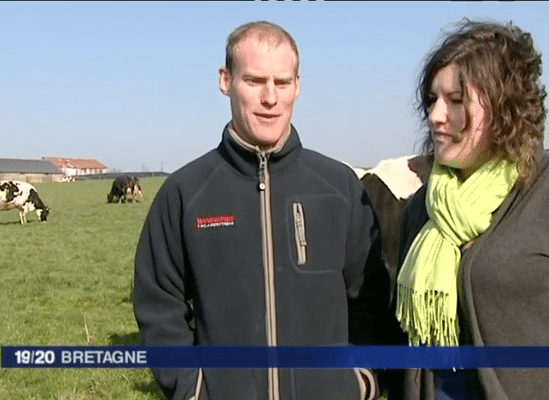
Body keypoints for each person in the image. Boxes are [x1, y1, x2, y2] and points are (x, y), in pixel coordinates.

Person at [133, 20, 390, 400]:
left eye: (282, 82)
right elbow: (160, 307)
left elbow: (371, 298)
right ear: (225, 80)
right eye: (254, 81)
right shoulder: (186, 192)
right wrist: (192, 389)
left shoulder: (340, 187)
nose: (270, 97)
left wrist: (360, 380)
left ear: (297, 87)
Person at [387, 19, 549, 399]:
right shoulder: (424, 207)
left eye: (455, 101)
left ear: (504, 107)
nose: (436, 115)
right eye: (432, 100)